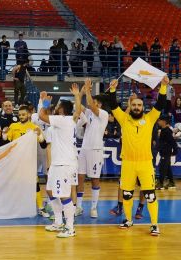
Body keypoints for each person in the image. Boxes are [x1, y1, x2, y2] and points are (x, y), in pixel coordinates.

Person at [107, 76, 170, 235]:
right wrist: (113, 89)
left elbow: (161, 103)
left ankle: (154, 224)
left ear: (143, 107)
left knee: (150, 195)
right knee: (127, 194)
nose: (136, 107)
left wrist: (163, 86)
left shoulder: (150, 118)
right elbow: (113, 105)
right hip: (128, 163)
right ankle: (128, 220)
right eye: (134, 105)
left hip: (145, 163)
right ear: (130, 105)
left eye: (139, 105)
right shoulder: (123, 118)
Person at [39, 83, 82, 238]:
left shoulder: (62, 119)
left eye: (58, 105)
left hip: (64, 164)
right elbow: (77, 111)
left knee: (64, 195)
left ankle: (70, 227)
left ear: (62, 110)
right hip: (59, 163)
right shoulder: (68, 120)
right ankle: (58, 221)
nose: (55, 107)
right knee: (50, 190)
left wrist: (44, 102)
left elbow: (41, 116)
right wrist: (77, 95)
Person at [2, 105, 46, 216]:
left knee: (35, 184)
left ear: (29, 114)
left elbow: (44, 145)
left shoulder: (34, 127)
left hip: (29, 162)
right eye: (20, 115)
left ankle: (40, 208)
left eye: (23, 114)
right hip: (15, 162)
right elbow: (5, 142)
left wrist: (40, 135)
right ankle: (14, 207)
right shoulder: (13, 126)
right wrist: (4, 133)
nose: (21, 116)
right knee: (14, 184)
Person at [75, 79, 109, 218]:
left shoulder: (103, 114)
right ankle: (79, 206)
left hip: (95, 150)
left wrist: (88, 90)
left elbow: (89, 104)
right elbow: (78, 107)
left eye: (94, 101)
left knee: (95, 179)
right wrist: (78, 94)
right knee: (80, 178)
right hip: (84, 149)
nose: (91, 103)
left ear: (99, 104)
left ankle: (94, 208)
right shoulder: (89, 113)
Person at [157, 115, 178, 189]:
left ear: (164, 122)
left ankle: (160, 183)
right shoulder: (163, 130)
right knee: (167, 167)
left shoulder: (167, 131)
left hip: (166, 152)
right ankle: (172, 183)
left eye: (159, 120)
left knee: (162, 168)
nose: (158, 122)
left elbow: (172, 142)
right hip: (164, 151)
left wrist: (175, 151)